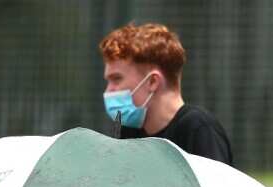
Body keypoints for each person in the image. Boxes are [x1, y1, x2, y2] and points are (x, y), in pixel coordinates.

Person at [100, 23, 234, 165]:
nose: (108, 91)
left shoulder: (198, 128)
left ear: (152, 81)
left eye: (116, 79)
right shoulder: (128, 131)